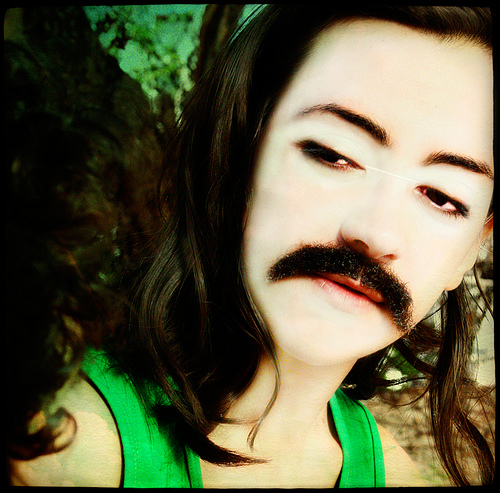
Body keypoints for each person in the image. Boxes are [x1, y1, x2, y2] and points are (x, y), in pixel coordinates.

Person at [8, 5, 494, 487]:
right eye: (332, 154)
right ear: (239, 154)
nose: (375, 233)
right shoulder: (52, 455)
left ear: (473, 247)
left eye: (443, 197)